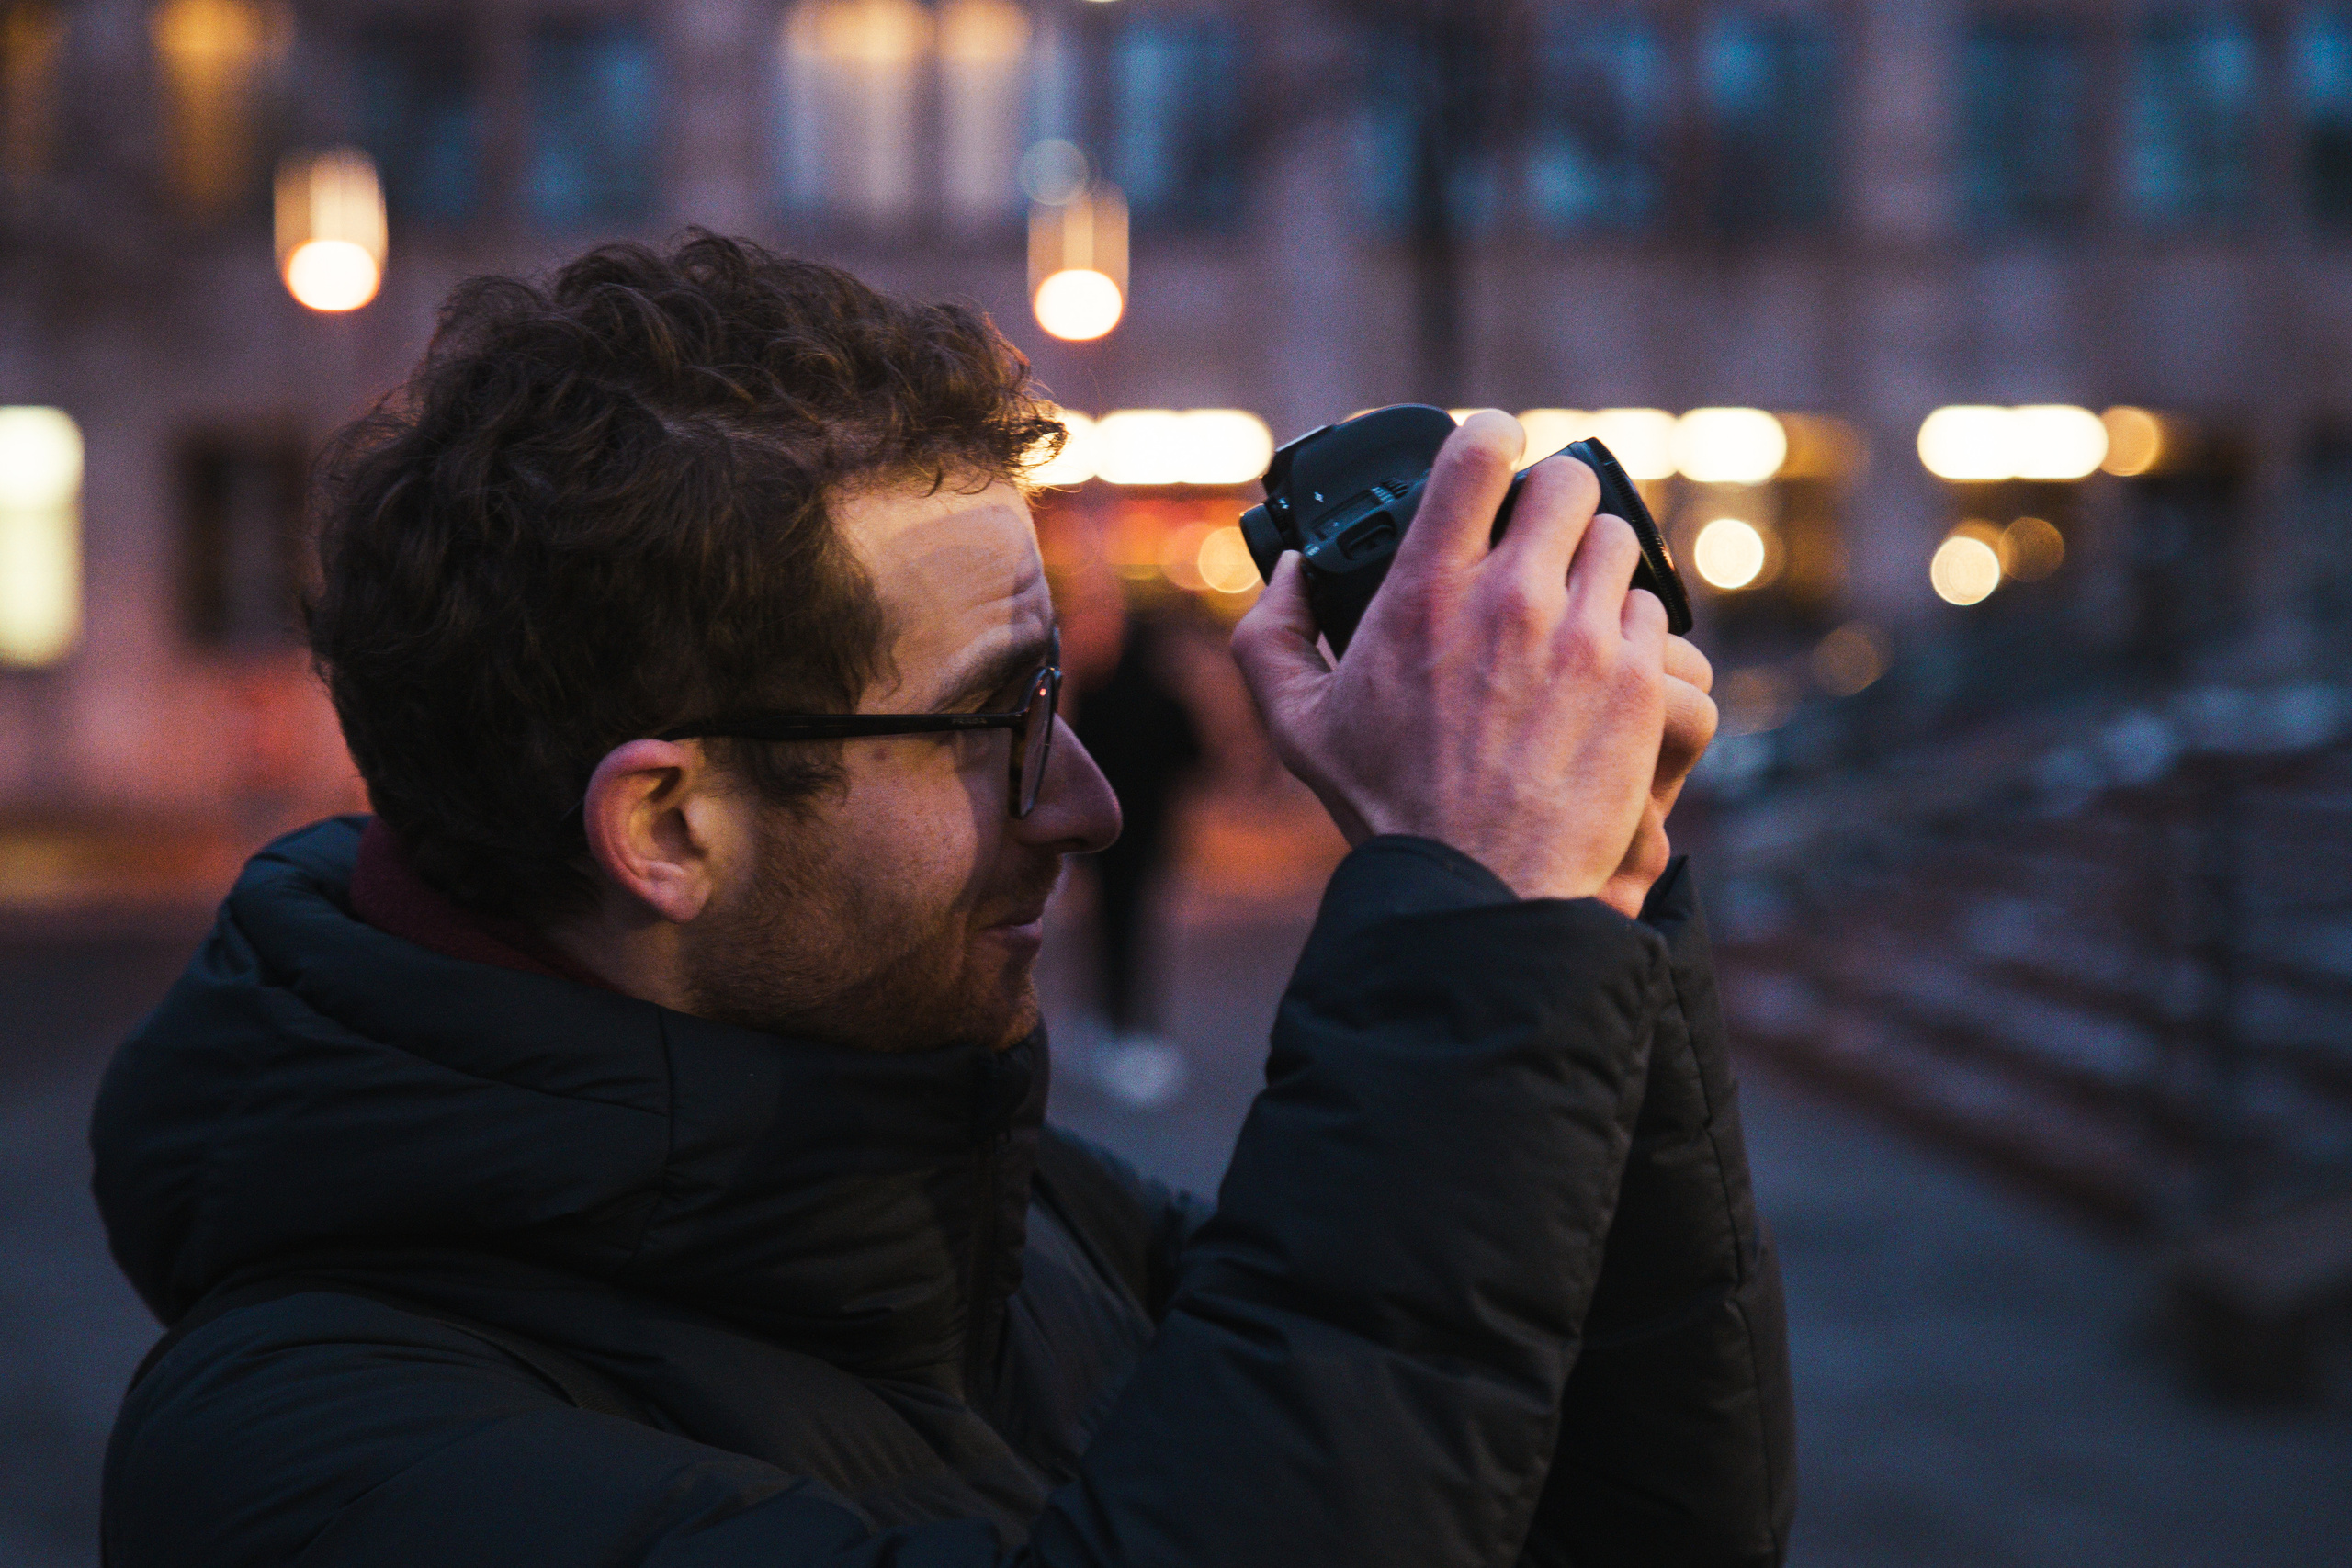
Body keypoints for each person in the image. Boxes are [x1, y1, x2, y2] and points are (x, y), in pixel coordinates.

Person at [92, 234, 1792, 1568]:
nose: (1089, 804)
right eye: (999, 719)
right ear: (671, 823)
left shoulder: (1015, 1215)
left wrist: (1589, 899)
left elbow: (1619, 1528)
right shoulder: (311, 1465)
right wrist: (1474, 928)